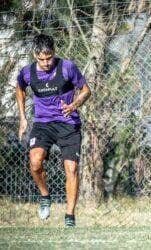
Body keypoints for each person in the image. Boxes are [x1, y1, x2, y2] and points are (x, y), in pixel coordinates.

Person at [15, 34, 91, 227]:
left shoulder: (67, 68)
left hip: (68, 124)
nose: (46, 62)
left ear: (54, 53)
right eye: (41, 59)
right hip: (42, 124)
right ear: (35, 55)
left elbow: (86, 90)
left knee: (71, 168)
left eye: (49, 58)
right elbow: (20, 89)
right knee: (35, 162)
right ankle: (45, 196)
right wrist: (23, 118)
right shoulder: (27, 72)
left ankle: (69, 217)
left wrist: (74, 105)